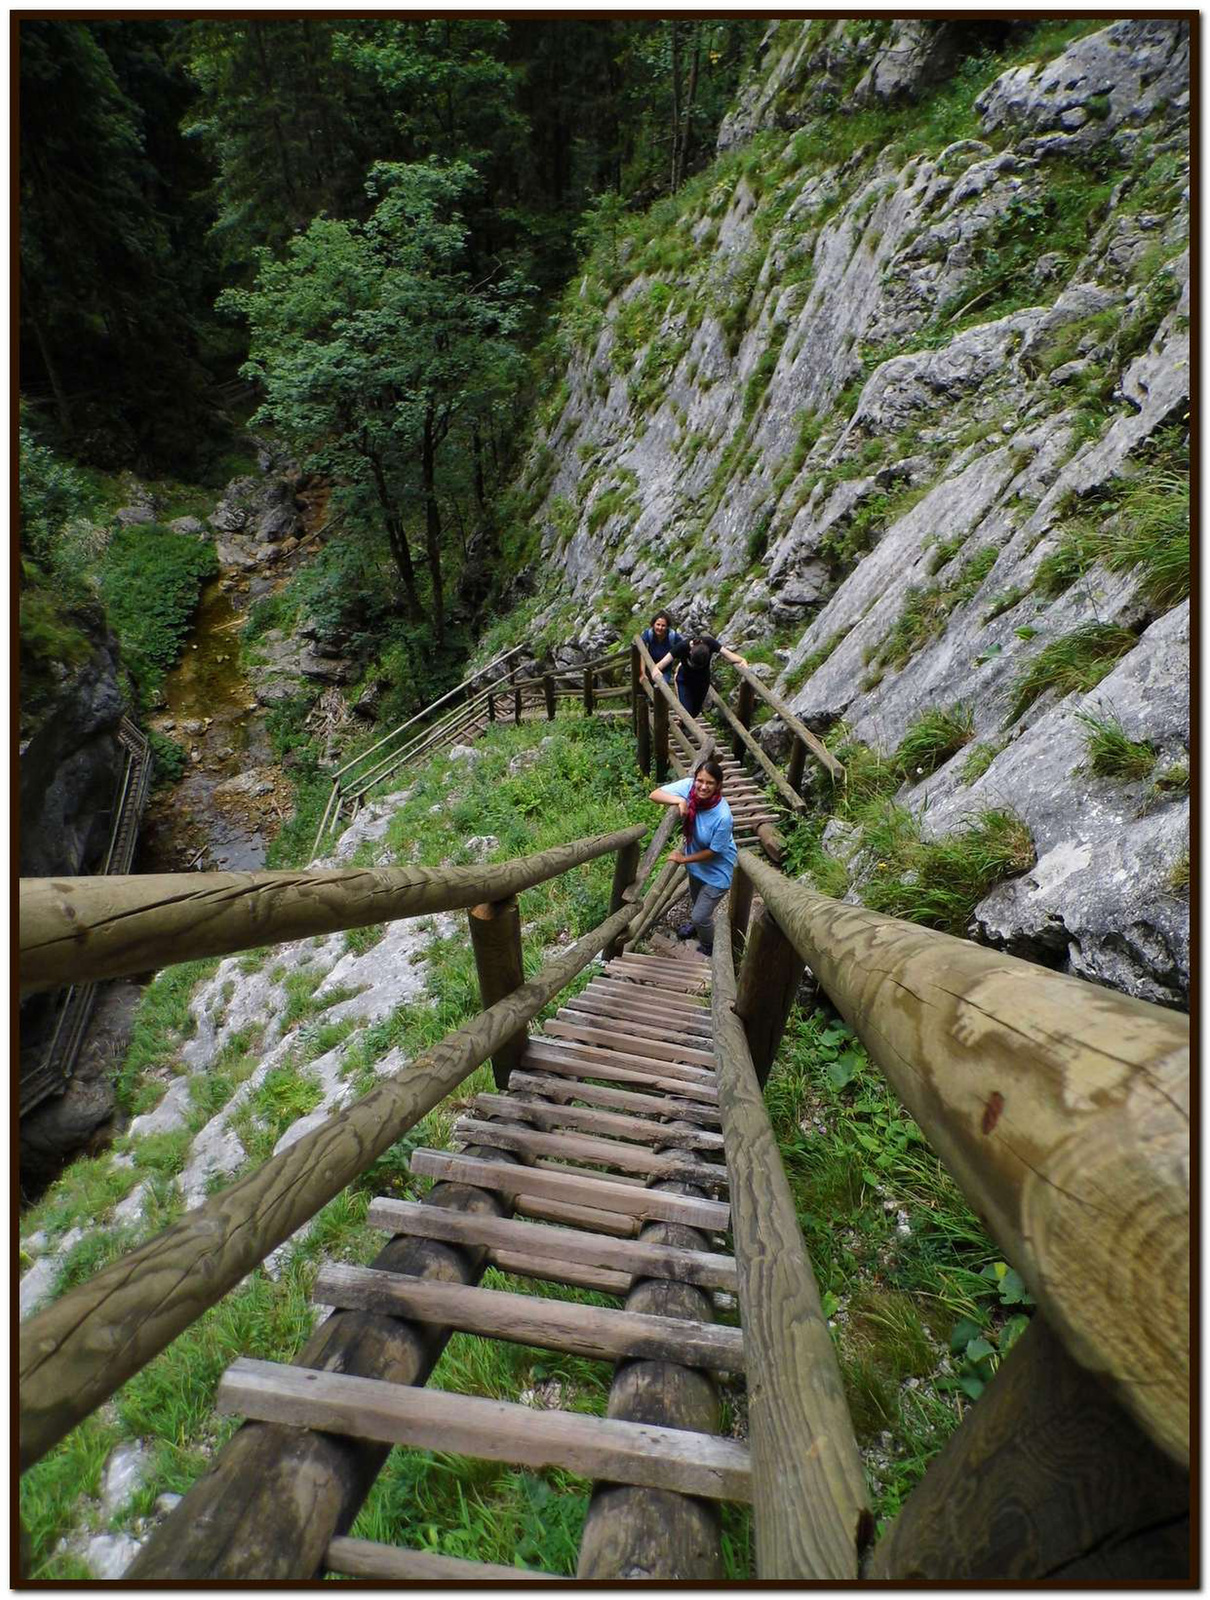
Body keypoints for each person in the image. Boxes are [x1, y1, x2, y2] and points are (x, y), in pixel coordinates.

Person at [649, 759, 736, 955]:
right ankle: (698, 929)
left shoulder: (723, 816)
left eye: (710, 783)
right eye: (700, 780)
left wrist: (683, 859)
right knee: (697, 903)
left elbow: (714, 852)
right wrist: (680, 800)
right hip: (697, 868)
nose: (703, 787)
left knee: (700, 916)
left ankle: (709, 946)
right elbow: (654, 794)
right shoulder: (689, 788)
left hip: (717, 872)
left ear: (718, 786)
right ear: (695, 779)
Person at [652, 633, 749, 716]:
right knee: (687, 712)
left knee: (694, 713)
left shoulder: (710, 643)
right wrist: (656, 673)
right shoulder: (681, 647)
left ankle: (682, 722)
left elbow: (728, 654)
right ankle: (682, 725)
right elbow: (660, 665)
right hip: (684, 680)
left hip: (702, 681)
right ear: (690, 652)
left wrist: (742, 660)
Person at [639, 609, 683, 687]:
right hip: (649, 668)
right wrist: (643, 673)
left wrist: (679, 665)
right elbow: (642, 651)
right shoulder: (649, 634)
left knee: (660, 687)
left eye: (663, 626)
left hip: (665, 671)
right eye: (658, 624)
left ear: (667, 627)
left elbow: (683, 648)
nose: (660, 628)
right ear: (653, 624)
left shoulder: (673, 636)